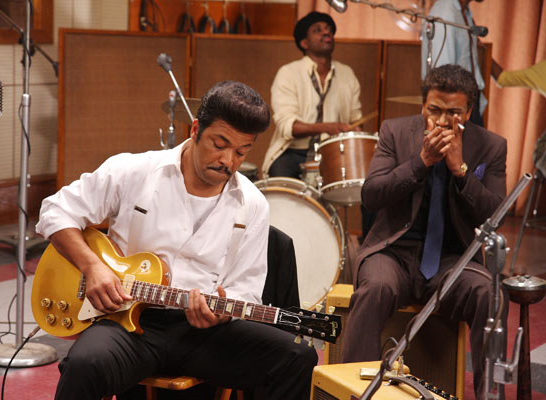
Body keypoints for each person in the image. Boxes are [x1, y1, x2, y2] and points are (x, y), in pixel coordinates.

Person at [35, 80, 318, 400]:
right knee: (84, 365)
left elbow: (247, 290)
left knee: (297, 357)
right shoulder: (135, 171)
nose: (228, 160)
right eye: (219, 144)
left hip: (202, 335)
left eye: (241, 151)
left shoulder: (252, 204)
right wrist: (92, 267)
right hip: (127, 322)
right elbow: (55, 212)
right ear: (196, 129)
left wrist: (222, 312)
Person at [341, 64, 508, 399]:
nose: (443, 121)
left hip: (452, 260)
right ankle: (353, 392)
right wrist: (421, 162)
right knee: (376, 288)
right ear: (423, 107)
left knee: (489, 295)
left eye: (453, 112)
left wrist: (461, 171)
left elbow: (494, 213)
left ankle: (490, 396)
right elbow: (371, 195)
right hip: (393, 252)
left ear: (469, 112)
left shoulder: (491, 146)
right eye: (434, 110)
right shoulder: (395, 131)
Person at [262, 11, 362, 179]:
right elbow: (288, 126)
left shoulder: (347, 74)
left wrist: (355, 129)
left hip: (333, 152)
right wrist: (327, 127)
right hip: (292, 151)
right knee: (281, 183)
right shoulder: (288, 73)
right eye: (317, 30)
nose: (326, 32)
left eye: (328, 29)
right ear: (304, 43)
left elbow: (355, 120)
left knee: (362, 181)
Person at [422, 0, 487, 126]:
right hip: (453, 104)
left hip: (466, 100)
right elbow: (442, 76)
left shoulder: (464, 12)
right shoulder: (445, 12)